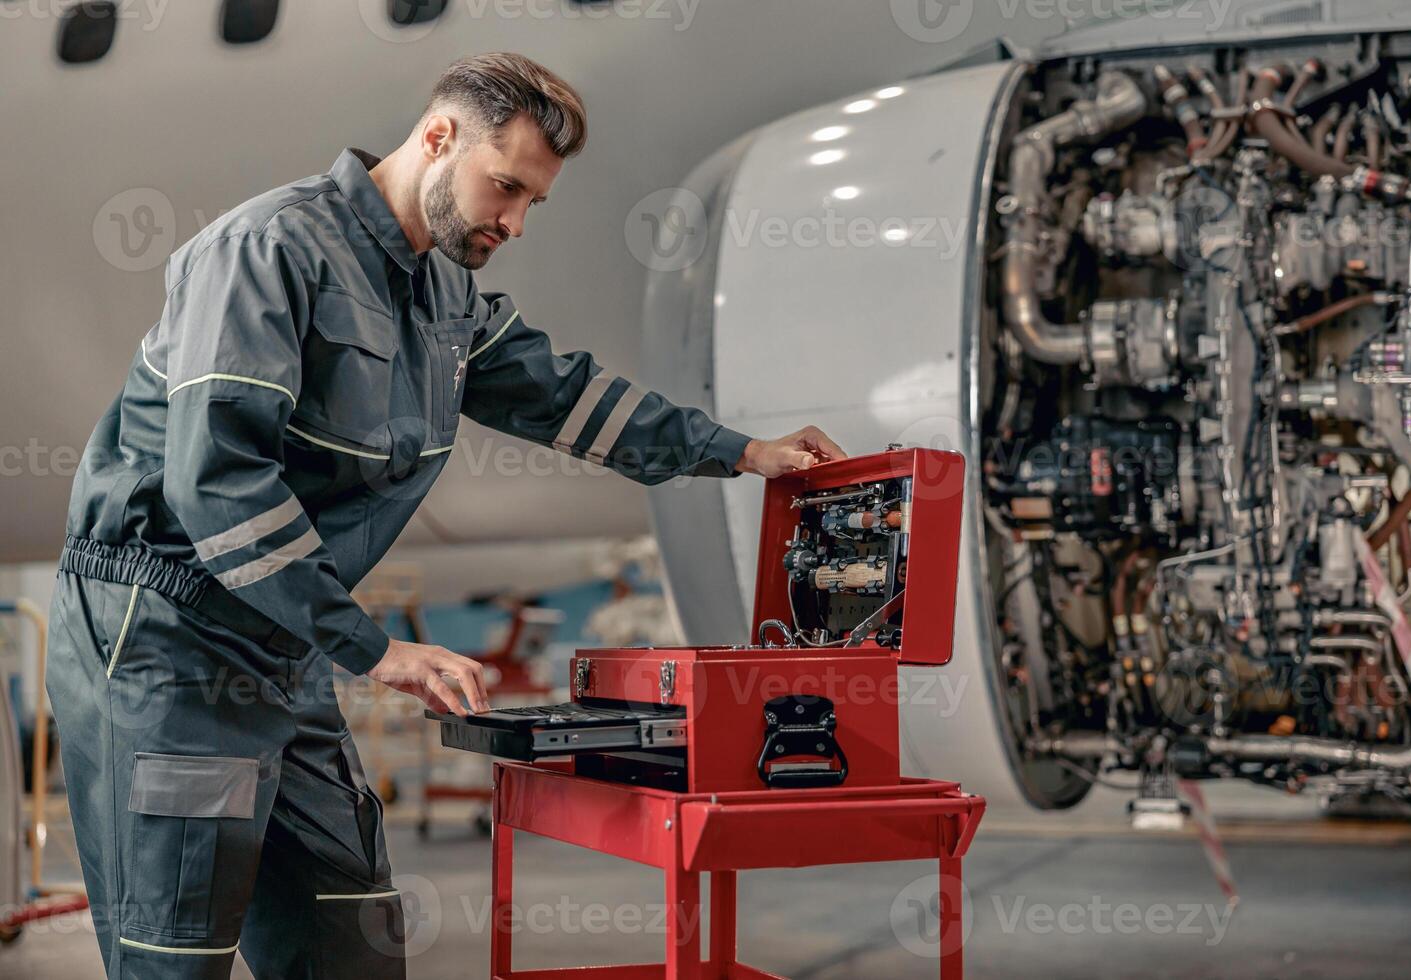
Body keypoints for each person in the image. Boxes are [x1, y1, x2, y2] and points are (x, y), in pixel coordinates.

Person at [48, 51, 845, 979]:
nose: (512, 222)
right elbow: (218, 481)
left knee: (349, 937)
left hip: (283, 639)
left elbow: (567, 398)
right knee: (173, 956)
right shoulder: (266, 251)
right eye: (503, 187)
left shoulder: (444, 295)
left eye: (531, 204)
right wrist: (379, 651)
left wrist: (743, 452)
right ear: (437, 137)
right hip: (165, 642)